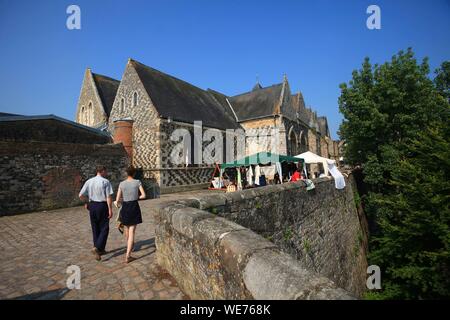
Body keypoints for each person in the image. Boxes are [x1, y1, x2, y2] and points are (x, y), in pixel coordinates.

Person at [79, 165, 114, 261]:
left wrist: (87, 203)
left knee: (95, 228)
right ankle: (97, 247)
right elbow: (108, 197)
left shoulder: (89, 181)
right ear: (102, 171)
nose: (106, 173)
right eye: (105, 171)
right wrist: (110, 209)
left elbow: (80, 195)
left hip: (92, 205)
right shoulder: (105, 181)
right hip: (102, 206)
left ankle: (100, 250)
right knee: (104, 228)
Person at [114, 166, 146, 263]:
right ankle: (128, 255)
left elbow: (117, 200)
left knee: (127, 229)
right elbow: (144, 195)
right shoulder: (137, 182)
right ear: (134, 173)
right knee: (132, 231)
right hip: (134, 206)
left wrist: (118, 204)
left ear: (126, 173)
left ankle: (130, 246)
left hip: (125, 206)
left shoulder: (122, 184)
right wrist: (137, 197)